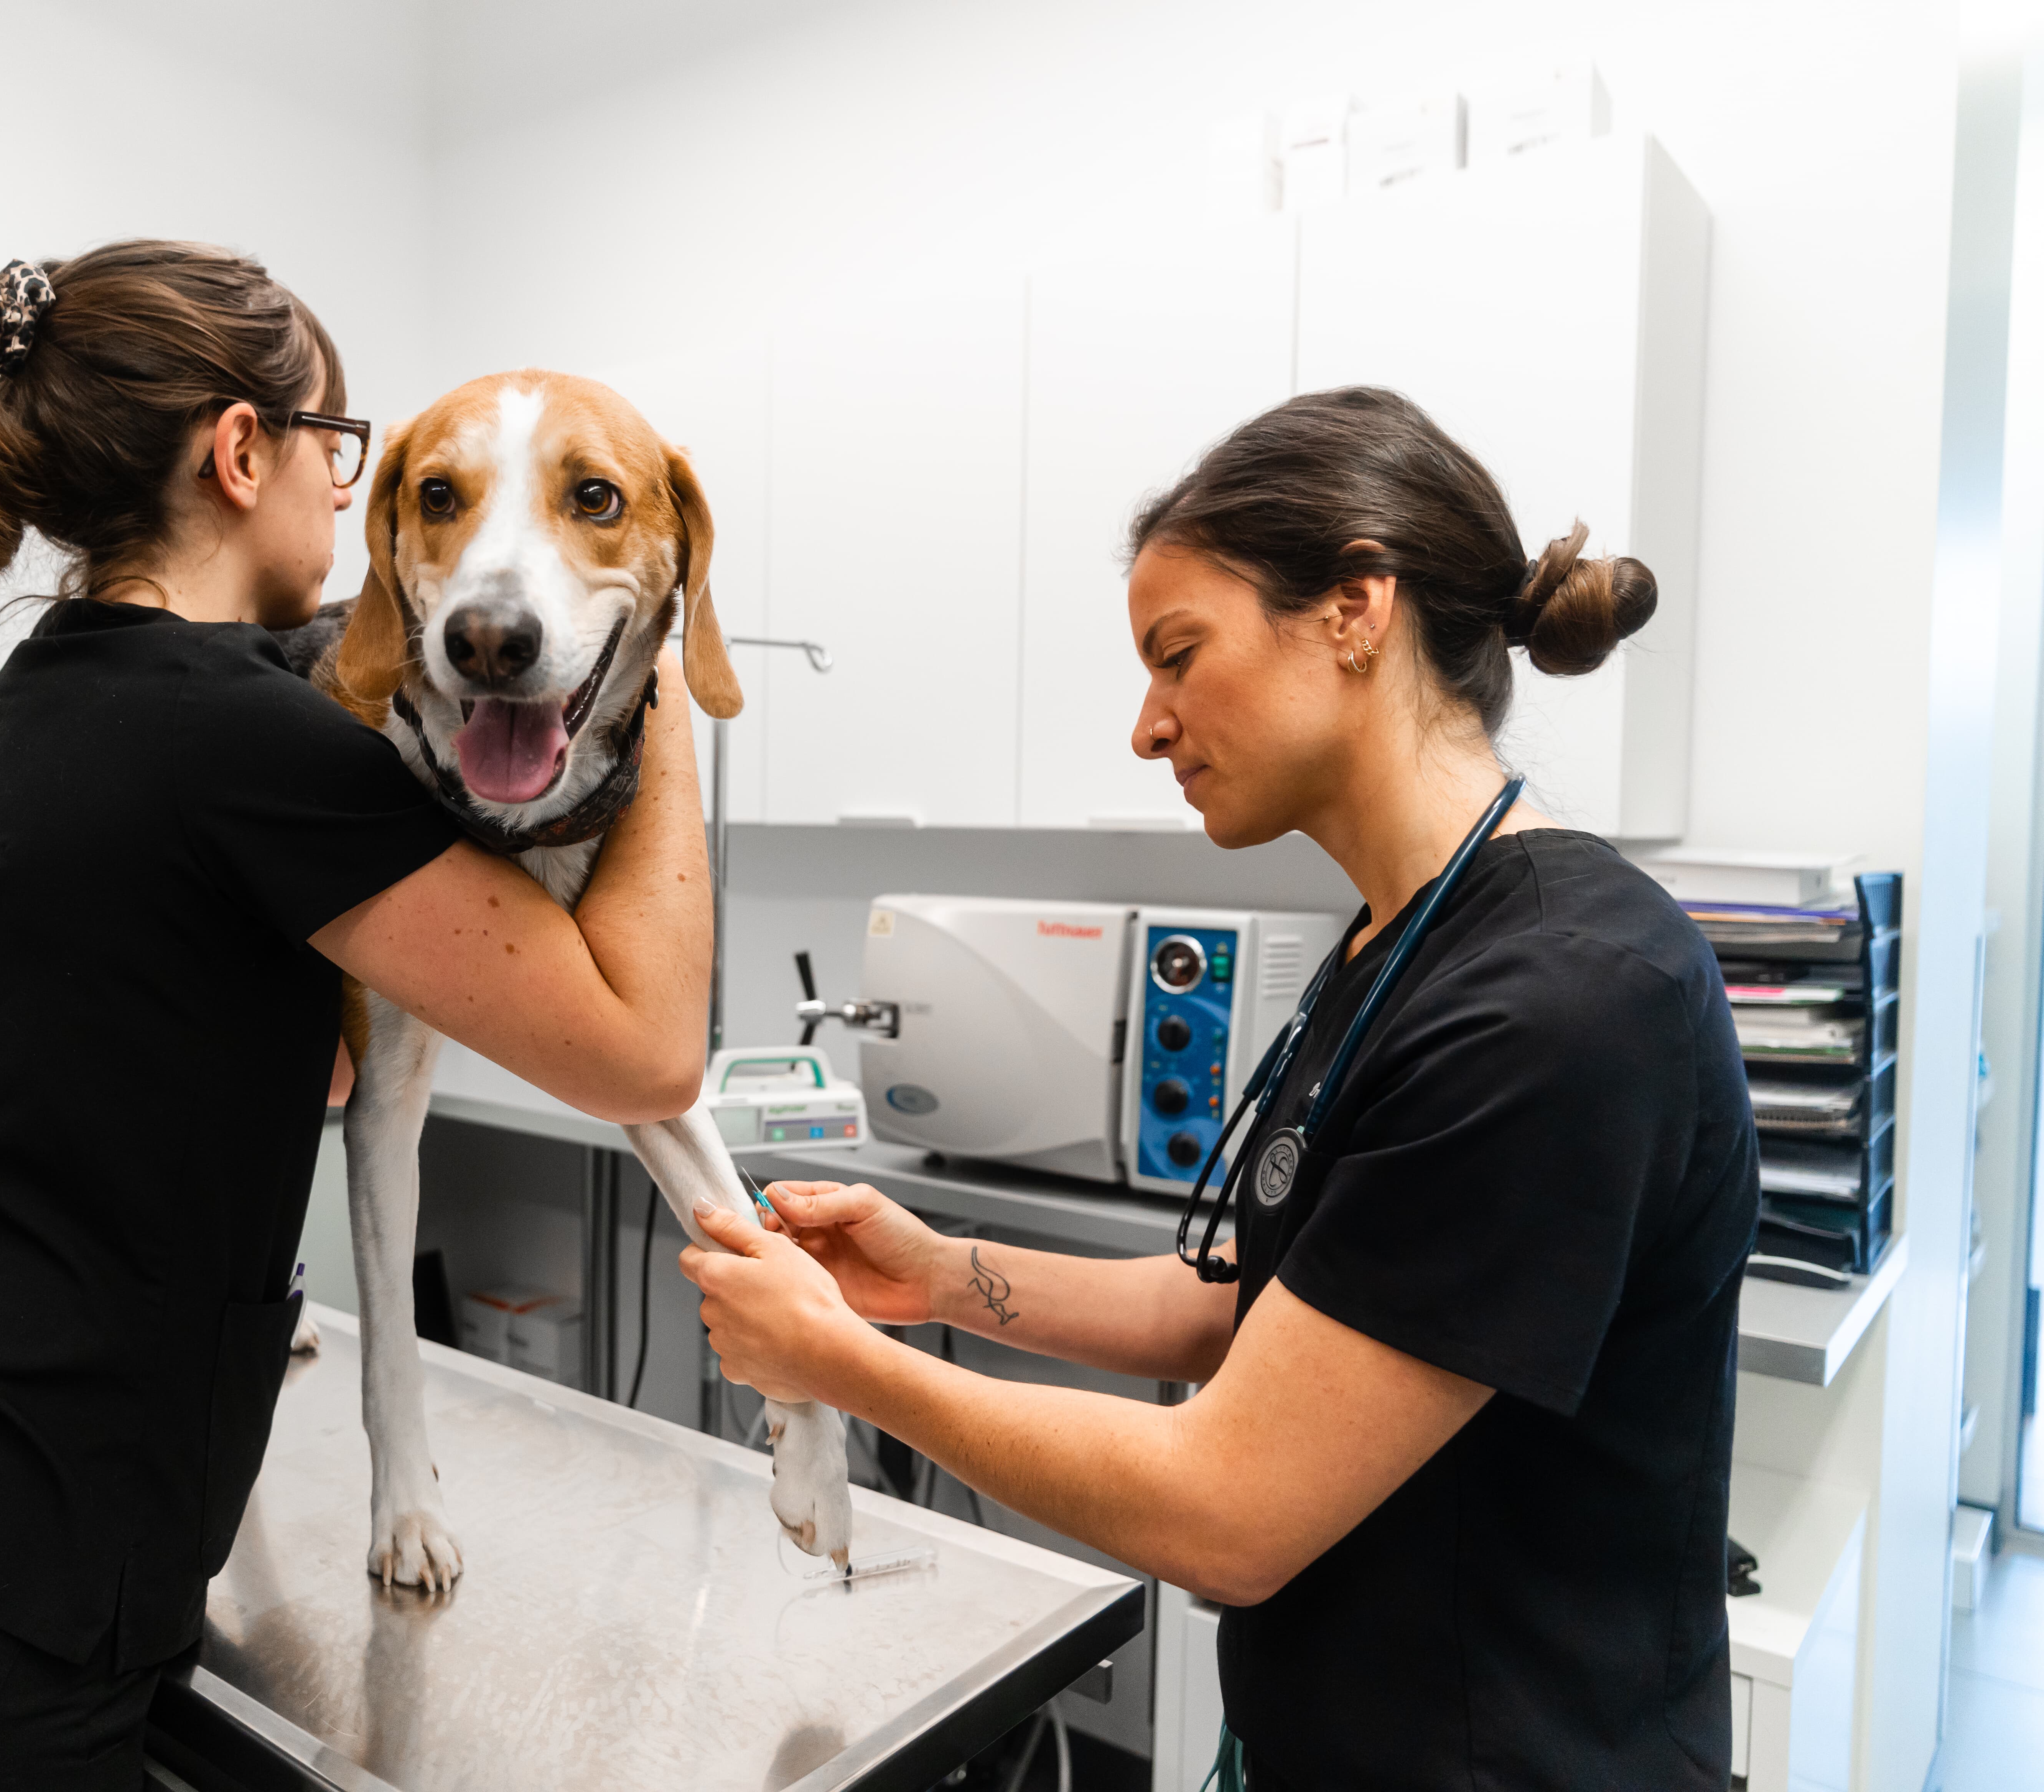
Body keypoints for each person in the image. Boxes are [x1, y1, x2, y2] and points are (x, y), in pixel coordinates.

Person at [0, 243, 713, 1790]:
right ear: (243, 451)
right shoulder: (255, 747)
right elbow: (648, 1047)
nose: (352, 500)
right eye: (345, 456)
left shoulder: (64, 685)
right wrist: (639, 646)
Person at [682, 387, 1757, 1790]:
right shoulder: (1399, 939)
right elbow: (1257, 1300)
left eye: (1177, 655)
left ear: (1355, 613)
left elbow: (1228, 1510)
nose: (1148, 726)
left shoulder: (1565, 1001)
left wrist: (842, 1366)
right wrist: (942, 1274)